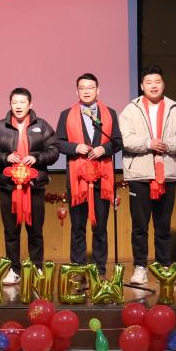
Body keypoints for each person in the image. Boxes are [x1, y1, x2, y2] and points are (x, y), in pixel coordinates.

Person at [119, 66, 176, 286]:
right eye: (149, 82)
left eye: (157, 82)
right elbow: (126, 139)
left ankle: (164, 267)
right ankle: (140, 267)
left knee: (163, 225)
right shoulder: (130, 110)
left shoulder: (175, 109)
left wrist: (166, 145)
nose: (153, 86)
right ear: (142, 86)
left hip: (166, 174)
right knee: (140, 226)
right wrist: (149, 143)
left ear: (163, 85)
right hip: (140, 174)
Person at [0, 87, 59, 285]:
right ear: (10, 104)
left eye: (22, 102)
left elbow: (54, 150)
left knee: (36, 231)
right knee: (11, 232)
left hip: (34, 186)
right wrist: (5, 157)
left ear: (30, 104)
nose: (18, 106)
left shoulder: (42, 126)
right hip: (9, 188)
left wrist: (37, 158)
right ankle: (14, 269)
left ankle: (36, 267)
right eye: (15, 102)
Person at [55, 73, 123, 276]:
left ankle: (100, 270)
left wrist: (104, 149)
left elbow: (117, 141)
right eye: (82, 88)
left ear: (98, 90)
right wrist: (75, 147)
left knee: (100, 227)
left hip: (102, 179)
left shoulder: (110, 113)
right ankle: (78, 269)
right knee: (78, 227)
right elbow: (58, 143)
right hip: (77, 180)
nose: (86, 91)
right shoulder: (66, 114)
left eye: (90, 87)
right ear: (77, 91)